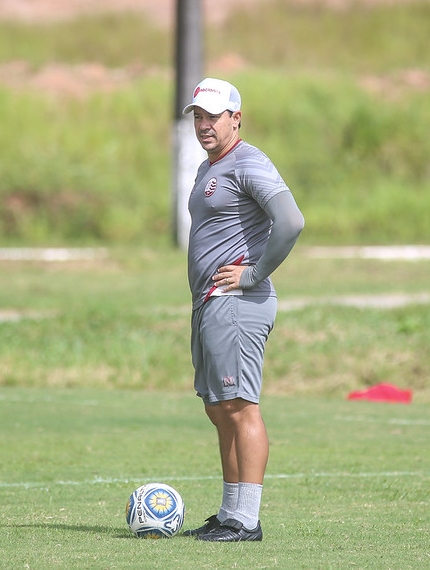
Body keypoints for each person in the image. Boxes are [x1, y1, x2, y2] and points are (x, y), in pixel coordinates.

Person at [179, 78, 305, 542]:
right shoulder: (209, 166)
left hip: (237, 303)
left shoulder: (248, 161)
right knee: (220, 409)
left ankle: (246, 520)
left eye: (213, 116)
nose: (204, 124)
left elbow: (291, 221)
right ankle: (231, 512)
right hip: (210, 304)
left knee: (240, 407)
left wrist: (252, 274)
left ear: (236, 118)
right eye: (198, 116)